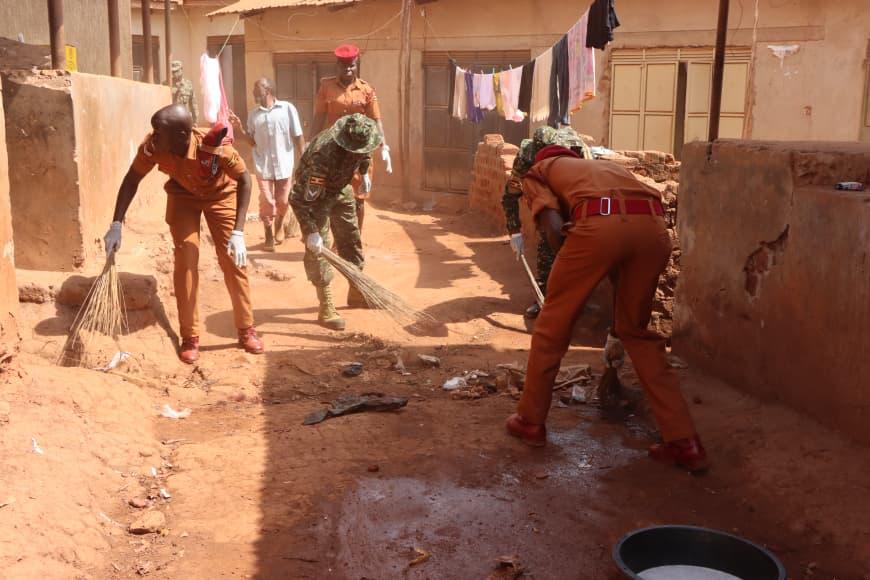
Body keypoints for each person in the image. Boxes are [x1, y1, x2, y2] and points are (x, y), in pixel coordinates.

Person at [504, 144, 709, 473]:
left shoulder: (539, 172)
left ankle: (529, 420)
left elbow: (555, 227)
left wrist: (575, 266)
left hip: (600, 223)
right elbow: (627, 228)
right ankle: (684, 442)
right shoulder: (600, 168)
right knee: (636, 333)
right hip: (654, 229)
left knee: (552, 326)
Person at [103, 104, 264, 364]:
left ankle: (246, 329)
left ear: (180, 136)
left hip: (220, 197)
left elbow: (245, 180)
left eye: (159, 132)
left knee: (232, 260)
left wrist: (238, 231)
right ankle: (190, 336)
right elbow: (132, 178)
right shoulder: (154, 146)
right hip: (183, 198)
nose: (153, 136)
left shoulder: (215, 147)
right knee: (186, 259)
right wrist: (116, 224)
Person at [290, 113, 381, 331]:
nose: (360, 151)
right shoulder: (324, 155)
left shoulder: (361, 139)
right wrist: (310, 231)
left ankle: (357, 291)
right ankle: (326, 307)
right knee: (319, 249)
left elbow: (365, 153)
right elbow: (298, 198)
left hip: (342, 189)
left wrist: (364, 173)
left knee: (351, 238)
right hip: (317, 197)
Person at [502, 126, 592, 319]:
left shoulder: (576, 150)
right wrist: (515, 231)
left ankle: (578, 299)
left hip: (573, 192)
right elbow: (510, 196)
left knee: (579, 246)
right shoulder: (527, 157)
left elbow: (590, 182)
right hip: (544, 190)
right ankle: (543, 296)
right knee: (548, 240)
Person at [311, 44, 392, 233]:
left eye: (352, 65)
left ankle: (355, 239)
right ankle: (337, 241)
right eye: (343, 65)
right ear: (337, 66)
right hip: (333, 154)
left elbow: (375, 121)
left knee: (358, 199)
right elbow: (318, 118)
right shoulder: (326, 87)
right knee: (332, 197)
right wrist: (310, 144)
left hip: (359, 155)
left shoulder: (367, 90)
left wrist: (384, 147)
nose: (348, 69)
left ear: (357, 65)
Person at [230, 78, 305, 252]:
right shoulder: (254, 114)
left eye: (257, 88)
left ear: (268, 89)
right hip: (263, 165)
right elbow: (252, 142)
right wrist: (239, 128)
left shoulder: (287, 109)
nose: (254, 91)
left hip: (285, 163)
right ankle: (268, 232)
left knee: (283, 201)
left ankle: (279, 222)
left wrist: (304, 158)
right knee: (267, 201)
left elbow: (298, 135)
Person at [170, 61, 198, 125]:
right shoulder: (167, 84)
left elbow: (193, 104)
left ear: (181, 70)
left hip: (185, 119)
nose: (175, 74)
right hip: (172, 120)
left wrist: (195, 120)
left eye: (177, 71)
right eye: (173, 72)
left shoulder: (188, 84)